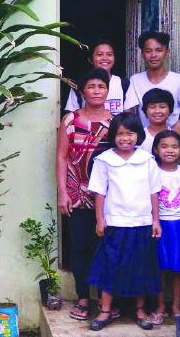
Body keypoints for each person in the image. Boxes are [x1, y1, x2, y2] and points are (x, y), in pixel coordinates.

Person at [86, 113, 162, 331]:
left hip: (142, 222)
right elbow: (99, 192)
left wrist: (156, 220)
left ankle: (140, 310)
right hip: (115, 222)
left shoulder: (147, 160)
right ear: (113, 136)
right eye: (119, 134)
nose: (125, 138)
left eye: (130, 133)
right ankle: (105, 310)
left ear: (138, 135)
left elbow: (154, 192)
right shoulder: (104, 160)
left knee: (141, 265)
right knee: (110, 265)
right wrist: (100, 219)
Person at [56, 68, 118, 322]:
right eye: (91, 86)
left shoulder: (116, 123)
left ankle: (105, 301)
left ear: (107, 91)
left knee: (107, 248)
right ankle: (83, 298)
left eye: (101, 86)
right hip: (77, 195)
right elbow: (61, 156)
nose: (96, 91)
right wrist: (63, 193)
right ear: (82, 92)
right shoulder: (70, 120)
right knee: (81, 247)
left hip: (110, 198)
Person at [148, 130, 180, 325]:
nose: (170, 150)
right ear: (156, 150)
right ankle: (160, 307)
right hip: (160, 225)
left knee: (179, 268)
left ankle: (175, 306)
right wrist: (155, 221)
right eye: (164, 146)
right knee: (159, 267)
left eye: (175, 147)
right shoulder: (153, 171)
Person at [123, 32, 180, 132]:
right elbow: (128, 111)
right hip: (145, 138)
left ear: (167, 51)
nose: (153, 55)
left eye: (159, 50)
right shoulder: (136, 80)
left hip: (171, 137)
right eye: (148, 51)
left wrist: (179, 126)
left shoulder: (179, 80)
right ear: (142, 54)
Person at [65, 40, 129, 115]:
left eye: (109, 54)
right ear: (90, 59)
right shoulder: (78, 85)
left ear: (114, 59)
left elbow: (127, 117)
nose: (105, 58)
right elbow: (71, 116)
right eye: (99, 54)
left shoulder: (123, 84)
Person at [139, 88, 174, 154]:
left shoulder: (175, 136)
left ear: (170, 110)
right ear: (145, 111)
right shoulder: (139, 136)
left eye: (162, 107)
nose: (157, 111)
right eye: (152, 107)